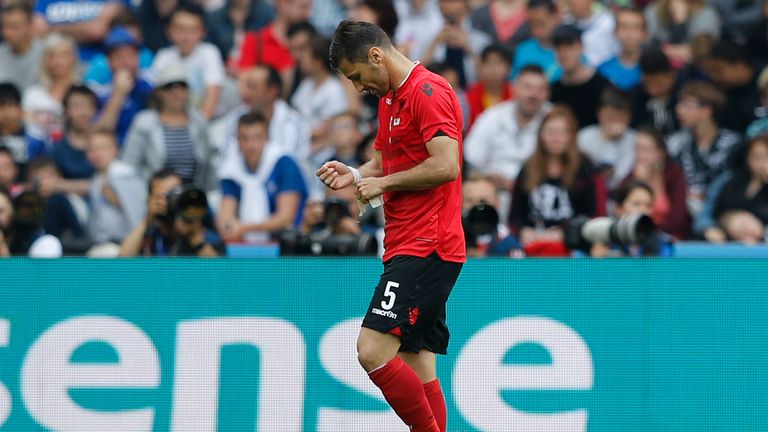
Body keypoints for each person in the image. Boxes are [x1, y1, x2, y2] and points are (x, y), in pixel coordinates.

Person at [318, 19, 465, 432]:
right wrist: (355, 172)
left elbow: (446, 164)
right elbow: (383, 164)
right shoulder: (389, 98)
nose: (358, 87)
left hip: (427, 244)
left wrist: (382, 183)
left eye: (357, 76)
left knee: (371, 350)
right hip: (406, 242)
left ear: (376, 56)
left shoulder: (427, 91)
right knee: (417, 365)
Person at [508, 105, 606, 250]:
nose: (556, 138)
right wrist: (523, 231)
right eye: (551, 132)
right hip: (532, 244)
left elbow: (597, 215)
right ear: (541, 135)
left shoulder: (586, 169)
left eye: (563, 132)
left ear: (572, 136)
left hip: (574, 246)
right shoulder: (528, 168)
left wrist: (567, 232)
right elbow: (515, 215)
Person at [122, 62, 217, 192]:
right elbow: (130, 165)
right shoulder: (144, 122)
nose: (176, 91)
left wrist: (210, 196)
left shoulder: (199, 122)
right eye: (169, 87)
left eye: (182, 86)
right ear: (159, 92)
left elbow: (208, 167)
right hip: (157, 198)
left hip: (194, 198)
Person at [216, 111, 308, 243]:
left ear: (267, 138)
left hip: (289, 247)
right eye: (245, 138)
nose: (251, 146)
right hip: (245, 248)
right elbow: (225, 215)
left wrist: (244, 228)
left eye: (257, 137)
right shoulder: (231, 169)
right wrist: (228, 227)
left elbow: (286, 218)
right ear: (237, 140)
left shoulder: (284, 163)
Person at [667, 81, 742, 215]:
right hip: (683, 213)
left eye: (687, 105)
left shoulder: (733, 144)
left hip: (723, 211)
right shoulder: (675, 144)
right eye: (679, 104)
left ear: (707, 110)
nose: (679, 110)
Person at [151, 3, 226, 120]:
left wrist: (198, 129)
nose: (185, 36)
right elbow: (157, 95)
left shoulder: (209, 53)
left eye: (192, 30)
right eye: (180, 29)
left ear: (202, 32)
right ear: (169, 31)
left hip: (208, 122)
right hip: (172, 121)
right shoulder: (163, 56)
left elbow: (213, 95)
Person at [694, 134, 768, 244]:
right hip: (724, 246)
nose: (761, 163)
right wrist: (709, 228)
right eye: (756, 157)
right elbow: (705, 212)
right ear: (747, 158)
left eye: (765, 157)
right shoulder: (728, 179)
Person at [620, 127, 691, 240]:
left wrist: (651, 231)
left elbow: (678, 219)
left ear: (661, 153)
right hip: (635, 237)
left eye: (646, 150)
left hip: (671, 239)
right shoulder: (631, 177)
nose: (641, 155)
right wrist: (639, 181)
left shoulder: (674, 175)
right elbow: (620, 210)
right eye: (638, 149)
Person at [92, 26, 154, 145]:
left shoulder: (151, 86)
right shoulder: (100, 94)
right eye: (119, 57)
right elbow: (100, 134)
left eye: (130, 56)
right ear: (109, 62)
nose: (125, 62)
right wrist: (118, 94)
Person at [86, 129, 146, 247]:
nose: (97, 153)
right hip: (102, 244)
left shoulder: (126, 175)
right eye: (92, 149)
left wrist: (117, 201)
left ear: (115, 150)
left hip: (127, 245)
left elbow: (137, 215)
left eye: (102, 148)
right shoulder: (96, 179)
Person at [550, 23, 610, 128]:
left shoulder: (602, 86)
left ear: (581, 47)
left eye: (569, 46)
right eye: (558, 48)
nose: (563, 54)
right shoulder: (553, 90)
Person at [577, 85, 636, 189]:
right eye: (609, 116)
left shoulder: (635, 140)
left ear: (629, 116)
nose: (614, 122)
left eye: (620, 117)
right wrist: (608, 139)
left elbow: (619, 178)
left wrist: (611, 142)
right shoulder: (584, 137)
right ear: (599, 114)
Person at [119, 168, 181, 256]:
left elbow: (206, 264)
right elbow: (123, 258)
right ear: (150, 199)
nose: (166, 201)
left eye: (172, 194)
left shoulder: (194, 222)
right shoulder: (151, 230)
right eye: (161, 196)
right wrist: (148, 218)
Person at [597, 7, 648, 91]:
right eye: (623, 27)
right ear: (614, 32)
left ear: (645, 33)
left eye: (635, 27)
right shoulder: (603, 70)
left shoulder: (653, 68)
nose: (629, 34)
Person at [465, 43, 514, 128]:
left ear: (509, 68)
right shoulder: (469, 96)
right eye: (488, 63)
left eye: (499, 63)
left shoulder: (515, 95)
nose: (493, 69)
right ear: (480, 67)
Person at [0, 1, 44, 91]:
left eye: (14, 27)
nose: (7, 33)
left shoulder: (47, 54)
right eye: (4, 26)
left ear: (30, 26)